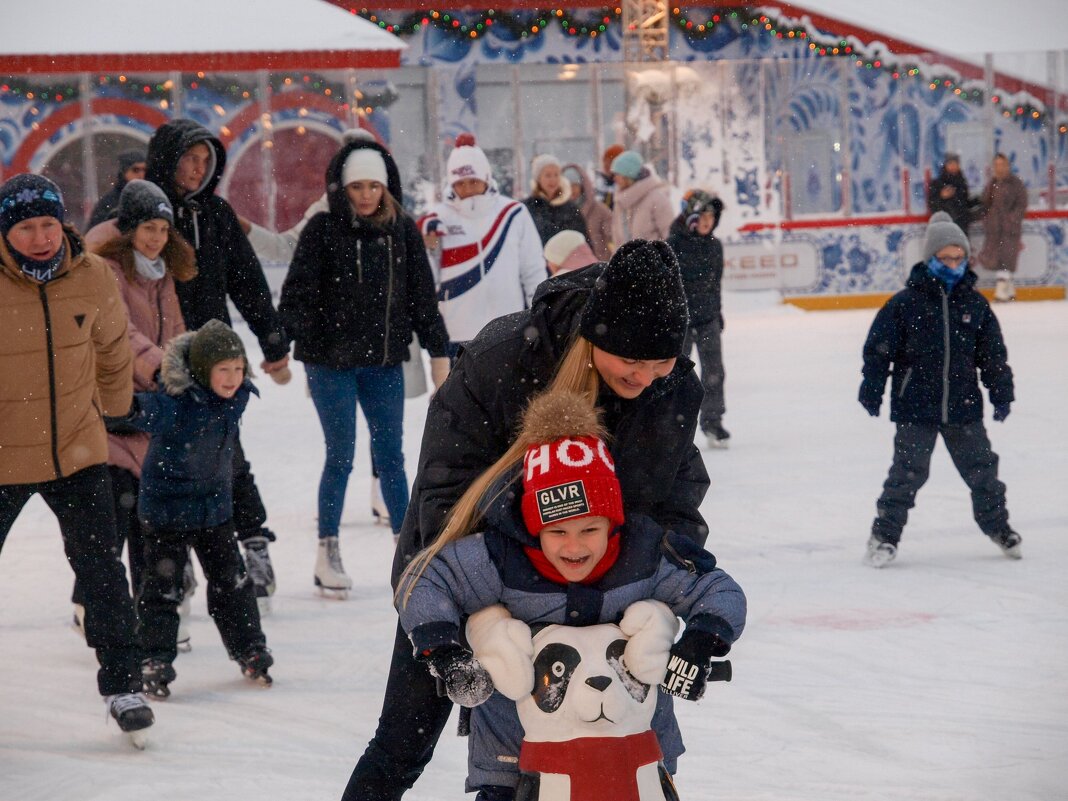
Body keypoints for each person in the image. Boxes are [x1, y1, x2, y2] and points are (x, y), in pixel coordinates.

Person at [342, 239, 710, 801]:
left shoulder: (670, 388)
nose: (646, 377)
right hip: (480, 577)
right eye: (632, 362)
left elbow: (678, 496)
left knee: (613, 753)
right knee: (406, 739)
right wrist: (484, 601)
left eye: (660, 362)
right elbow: (443, 490)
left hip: (601, 593)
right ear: (597, 338)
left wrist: (660, 583)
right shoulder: (506, 359)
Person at [395, 390, 747, 799]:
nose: (574, 548)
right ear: (533, 527)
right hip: (517, 758)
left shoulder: (644, 554)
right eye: (557, 532)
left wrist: (699, 645)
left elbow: (716, 589)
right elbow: (424, 580)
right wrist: (445, 652)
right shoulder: (499, 557)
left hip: (632, 753)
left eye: (590, 530)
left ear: (612, 522)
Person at [0, 173, 154, 738]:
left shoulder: (90, 275)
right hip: (3, 455)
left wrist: (111, 410)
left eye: (47, 224)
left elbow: (113, 348)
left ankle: (123, 684)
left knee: (102, 571)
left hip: (77, 449)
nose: (39, 238)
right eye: (24, 227)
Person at [279, 138, 450, 593]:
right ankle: (326, 551)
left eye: (375, 185)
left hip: (382, 361)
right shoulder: (321, 231)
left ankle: (408, 552)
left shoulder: (402, 231)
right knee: (341, 456)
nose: (368, 194)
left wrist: (440, 352)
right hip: (329, 362)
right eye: (359, 186)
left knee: (392, 455)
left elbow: (422, 300)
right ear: (344, 187)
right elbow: (296, 293)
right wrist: (279, 343)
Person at [145, 118, 290, 608]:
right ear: (168, 159)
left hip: (213, 359)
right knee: (160, 462)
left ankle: (253, 544)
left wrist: (272, 342)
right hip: (158, 359)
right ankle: (171, 562)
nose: (196, 168)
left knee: (229, 454)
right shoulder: (147, 212)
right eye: (188, 158)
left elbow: (247, 281)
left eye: (205, 160)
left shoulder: (217, 214)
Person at [72, 180, 197, 643]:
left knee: (149, 522)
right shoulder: (104, 269)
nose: (156, 237)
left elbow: (176, 330)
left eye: (164, 229)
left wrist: (188, 361)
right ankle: (96, 606)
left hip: (150, 410)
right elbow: (118, 333)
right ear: (129, 228)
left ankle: (152, 615)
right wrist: (165, 369)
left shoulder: (162, 272)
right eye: (148, 227)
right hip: (110, 406)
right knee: (113, 522)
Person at [859, 211, 1020, 568]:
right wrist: (872, 388)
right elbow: (878, 349)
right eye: (945, 258)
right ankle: (883, 537)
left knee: (983, 471)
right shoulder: (905, 304)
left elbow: (993, 355)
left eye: (958, 257)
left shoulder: (974, 305)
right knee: (906, 475)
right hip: (915, 406)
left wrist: (1001, 391)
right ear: (930, 259)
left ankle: (999, 528)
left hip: (962, 406)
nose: (953, 264)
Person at [126, 320, 273, 696]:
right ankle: (154, 658)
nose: (233, 378)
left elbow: (234, 460)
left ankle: (250, 648)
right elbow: (137, 411)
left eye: (238, 369)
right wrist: (116, 406)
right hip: (166, 515)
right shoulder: (175, 405)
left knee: (232, 584)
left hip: (214, 511)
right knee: (163, 589)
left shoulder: (233, 402)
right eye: (223, 369)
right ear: (203, 370)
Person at [417, 134, 545, 356]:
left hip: (507, 329)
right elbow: (427, 279)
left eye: (473, 181)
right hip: (456, 334)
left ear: (486, 178)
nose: (467, 189)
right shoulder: (438, 218)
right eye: (460, 183)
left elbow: (533, 270)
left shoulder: (513, 213)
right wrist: (428, 248)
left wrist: (542, 315)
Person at [667, 190, 730, 449]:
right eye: (703, 215)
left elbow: (715, 283)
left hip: (707, 318)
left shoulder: (715, 246)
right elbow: (667, 285)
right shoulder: (673, 244)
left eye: (712, 216)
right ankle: (673, 422)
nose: (708, 221)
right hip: (680, 321)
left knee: (714, 371)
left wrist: (717, 312)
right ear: (691, 215)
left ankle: (713, 421)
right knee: (676, 373)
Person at [977, 153, 1028, 302]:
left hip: (1009, 230)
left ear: (1008, 166)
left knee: (1006, 259)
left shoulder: (1016, 184)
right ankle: (1010, 290)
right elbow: (985, 204)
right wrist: (987, 219)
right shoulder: (991, 184)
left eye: (1002, 164)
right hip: (994, 229)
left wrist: (1011, 219)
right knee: (997, 259)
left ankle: (1001, 292)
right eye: (997, 165)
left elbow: (1021, 204)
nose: (1000, 168)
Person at [522, 154, 589, 246]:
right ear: (538, 178)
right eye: (548, 175)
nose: (553, 180)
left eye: (556, 175)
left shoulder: (571, 208)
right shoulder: (526, 207)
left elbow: (583, 242)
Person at [609, 150, 674, 245]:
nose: (614, 178)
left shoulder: (657, 198)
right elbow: (618, 240)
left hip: (652, 259)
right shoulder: (620, 201)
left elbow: (670, 237)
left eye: (617, 174)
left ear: (628, 175)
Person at [563, 162, 613, 260]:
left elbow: (613, 236)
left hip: (598, 265)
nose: (572, 190)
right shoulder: (557, 211)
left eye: (575, 185)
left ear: (582, 186)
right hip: (567, 266)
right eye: (568, 186)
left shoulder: (600, 210)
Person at [87, 149, 146, 229]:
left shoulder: (153, 199)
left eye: (145, 170)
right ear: (124, 172)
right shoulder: (109, 202)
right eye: (135, 170)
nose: (141, 174)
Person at [926, 153, 979, 235]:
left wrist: (978, 200)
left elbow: (965, 204)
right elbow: (932, 205)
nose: (953, 166)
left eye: (955, 163)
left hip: (961, 228)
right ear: (946, 165)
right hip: (944, 229)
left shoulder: (961, 183)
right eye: (950, 163)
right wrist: (942, 197)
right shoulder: (937, 184)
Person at [596, 144, 625, 210]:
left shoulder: (622, 185)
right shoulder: (599, 181)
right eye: (605, 161)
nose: (606, 165)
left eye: (610, 162)